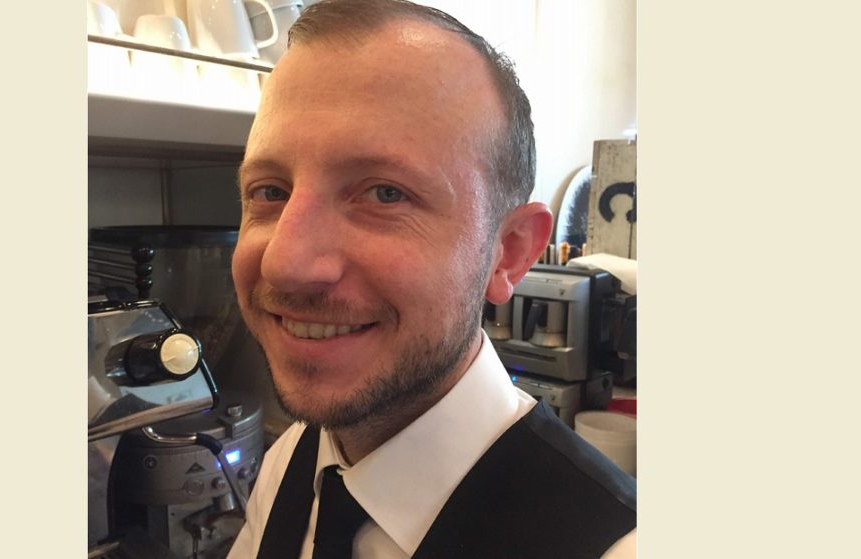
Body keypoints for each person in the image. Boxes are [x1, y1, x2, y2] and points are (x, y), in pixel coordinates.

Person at [227, 0, 636, 557]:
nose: (284, 264)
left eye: (385, 193)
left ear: (509, 252)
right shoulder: (290, 464)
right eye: (270, 191)